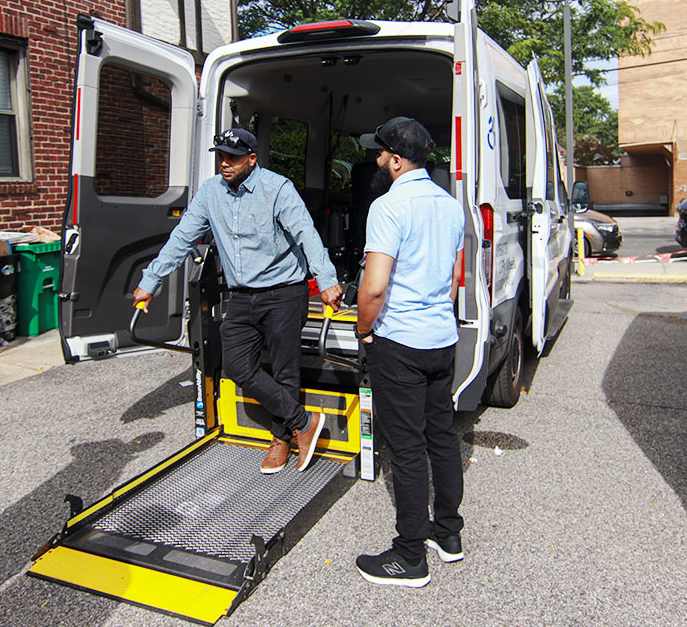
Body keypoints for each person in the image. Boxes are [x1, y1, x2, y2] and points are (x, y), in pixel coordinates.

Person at [133, 128, 343, 474]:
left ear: (251, 159)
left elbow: (307, 232)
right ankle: (303, 422)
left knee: (284, 369)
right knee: (236, 366)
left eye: (232, 157)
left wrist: (326, 279)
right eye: (221, 156)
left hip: (284, 293)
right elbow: (183, 237)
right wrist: (151, 280)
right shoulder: (210, 193)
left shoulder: (276, 189)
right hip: (243, 296)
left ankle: (282, 439)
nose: (224, 163)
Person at [352, 116, 465, 588]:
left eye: (380, 153)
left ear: (396, 160)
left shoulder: (388, 206)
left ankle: (410, 555)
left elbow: (373, 289)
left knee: (406, 448)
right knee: (441, 436)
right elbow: (454, 281)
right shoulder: (450, 205)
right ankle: (449, 535)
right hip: (442, 339)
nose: (377, 160)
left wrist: (364, 331)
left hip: (400, 343)